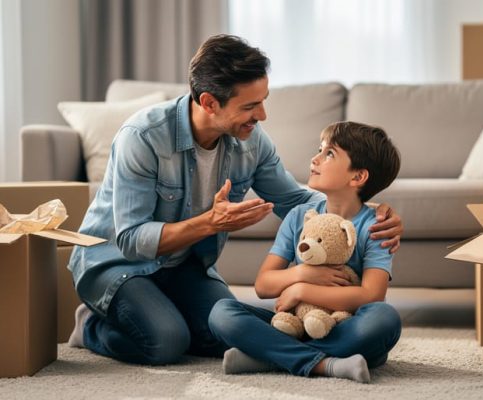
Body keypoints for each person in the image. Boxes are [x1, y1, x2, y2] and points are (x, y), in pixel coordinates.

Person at [67, 34, 403, 365]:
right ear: (210, 103)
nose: (262, 115)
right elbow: (130, 239)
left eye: (263, 100)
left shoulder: (252, 141)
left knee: (222, 335)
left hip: (182, 266)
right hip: (118, 265)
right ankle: (92, 326)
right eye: (250, 106)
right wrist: (209, 223)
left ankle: (167, 312)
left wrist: (367, 212)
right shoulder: (143, 137)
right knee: (166, 342)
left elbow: (296, 202)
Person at [208, 121, 402, 383]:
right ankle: (327, 364)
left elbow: (372, 296)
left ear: (358, 177)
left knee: (384, 319)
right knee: (222, 313)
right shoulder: (298, 216)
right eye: (319, 149)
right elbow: (264, 285)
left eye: (329, 153)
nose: (315, 158)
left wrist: (302, 290)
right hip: (293, 325)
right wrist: (303, 273)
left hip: (343, 326)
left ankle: (270, 358)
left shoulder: (375, 227)